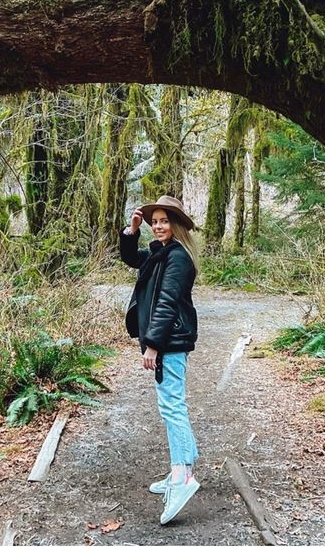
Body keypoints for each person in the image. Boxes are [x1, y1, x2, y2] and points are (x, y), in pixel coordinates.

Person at [120, 195, 202, 524]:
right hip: (167, 340)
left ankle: (182, 478)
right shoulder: (161, 254)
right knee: (171, 404)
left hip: (169, 341)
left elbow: (167, 301)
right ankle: (182, 467)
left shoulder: (178, 258)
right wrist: (132, 230)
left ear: (177, 224)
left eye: (164, 221)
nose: (157, 226)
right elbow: (132, 259)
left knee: (172, 406)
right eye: (154, 221)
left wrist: (152, 345)